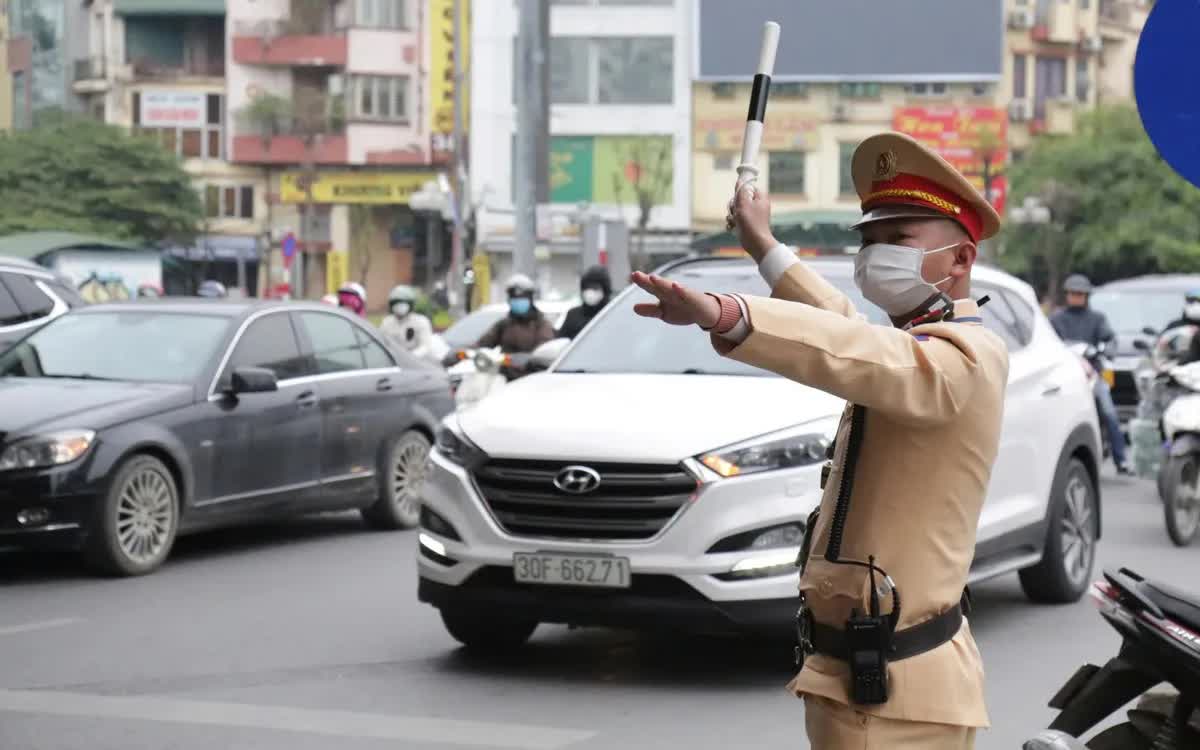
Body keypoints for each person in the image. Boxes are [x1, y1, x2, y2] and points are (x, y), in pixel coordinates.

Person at [633, 132, 1007, 749]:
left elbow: (853, 349)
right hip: (867, 679)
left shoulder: (968, 358)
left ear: (960, 261)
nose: (873, 256)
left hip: (893, 695)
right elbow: (844, 327)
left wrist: (729, 312)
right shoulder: (911, 347)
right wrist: (763, 245)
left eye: (897, 241)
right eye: (868, 241)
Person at [1050, 274, 1129, 473]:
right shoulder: (1056, 319)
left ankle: (1121, 460)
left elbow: (1110, 339)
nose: (1076, 297)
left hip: (1093, 375)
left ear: (1086, 296)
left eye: (1080, 294)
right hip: (1065, 376)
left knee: (1110, 413)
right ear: (1067, 295)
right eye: (1072, 294)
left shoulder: (1097, 319)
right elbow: (1049, 342)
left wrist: (1106, 350)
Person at [474, 273, 555, 354]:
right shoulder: (504, 324)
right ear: (509, 300)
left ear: (530, 300)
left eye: (522, 298)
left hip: (534, 365)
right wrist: (468, 351)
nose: (518, 302)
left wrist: (528, 359)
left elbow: (545, 347)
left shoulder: (541, 324)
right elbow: (484, 343)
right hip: (505, 365)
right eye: (515, 298)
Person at [557, 265, 613, 340]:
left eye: (595, 288)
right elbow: (561, 342)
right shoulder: (573, 315)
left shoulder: (612, 313)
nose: (590, 292)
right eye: (587, 287)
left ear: (605, 291)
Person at [380, 284, 434, 359]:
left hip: (417, 363)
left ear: (411, 304)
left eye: (403, 303)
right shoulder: (386, 323)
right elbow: (382, 344)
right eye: (396, 303)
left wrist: (410, 357)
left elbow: (425, 346)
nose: (399, 306)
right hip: (393, 361)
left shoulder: (421, 322)